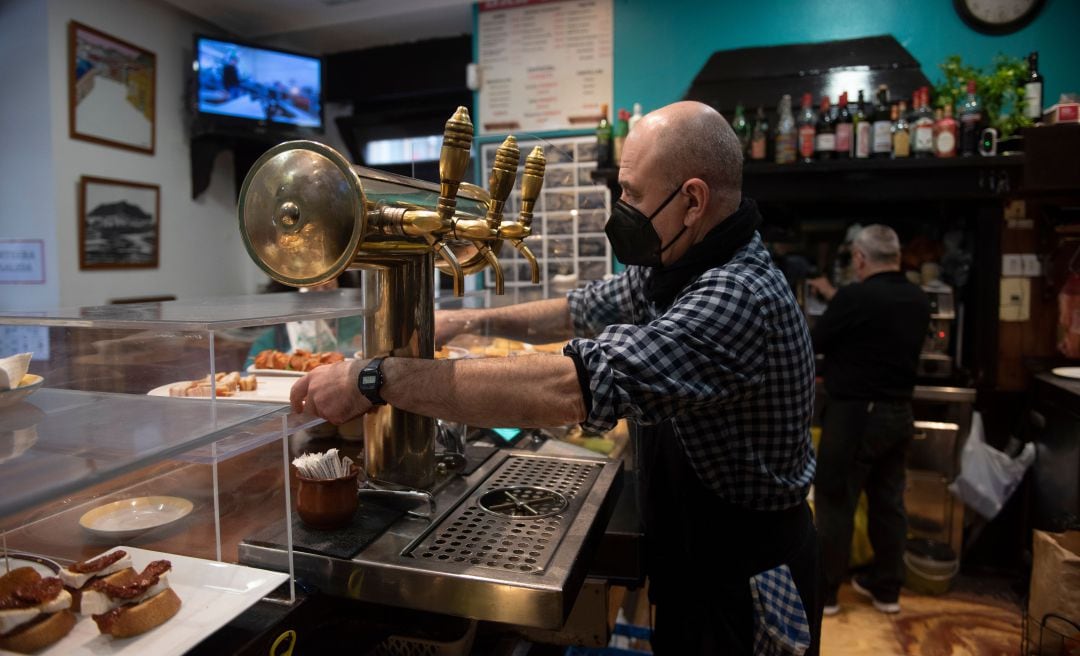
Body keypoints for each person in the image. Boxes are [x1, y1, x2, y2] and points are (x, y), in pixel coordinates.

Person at [291, 101, 822, 655]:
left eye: (632, 195)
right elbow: (578, 309)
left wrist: (374, 380)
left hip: (742, 576)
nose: (620, 210)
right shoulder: (679, 265)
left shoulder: (735, 296)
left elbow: (572, 385)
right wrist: (468, 319)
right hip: (696, 553)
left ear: (692, 201)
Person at [807, 225, 931, 616]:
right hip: (900, 413)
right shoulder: (918, 298)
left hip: (856, 414)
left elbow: (816, 342)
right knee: (888, 502)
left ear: (860, 259)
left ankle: (826, 593)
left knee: (835, 498)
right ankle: (887, 590)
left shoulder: (856, 296)